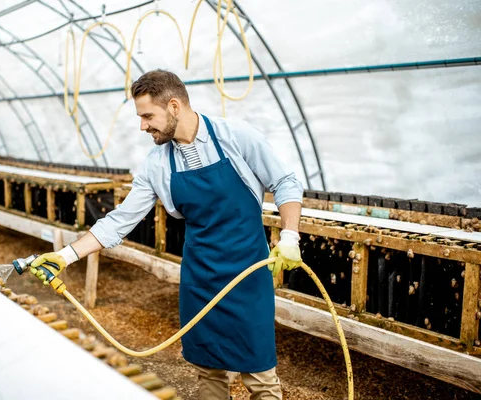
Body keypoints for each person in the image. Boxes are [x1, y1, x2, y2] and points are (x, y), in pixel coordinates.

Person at [29, 70, 303, 400]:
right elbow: (120, 221)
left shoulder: (237, 137)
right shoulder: (158, 163)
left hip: (248, 272)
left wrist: (290, 237)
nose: (142, 126)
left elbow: (286, 182)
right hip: (200, 275)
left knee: (259, 373)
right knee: (208, 369)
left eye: (147, 116)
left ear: (174, 106)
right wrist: (65, 256)